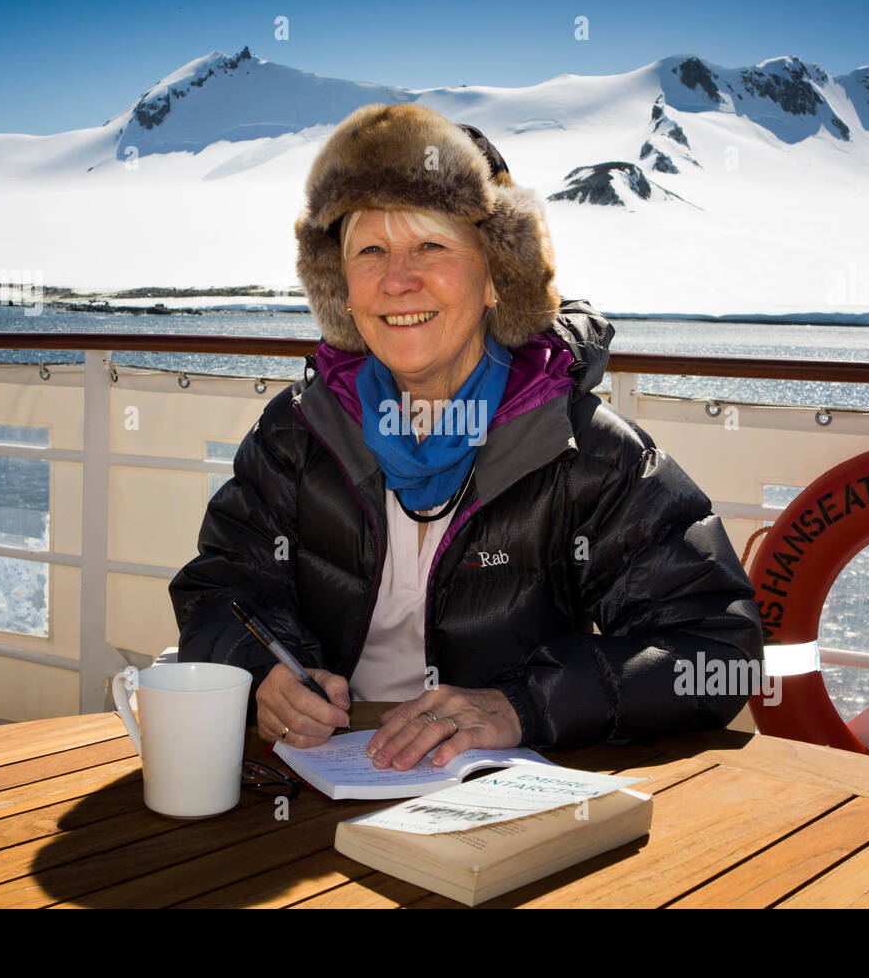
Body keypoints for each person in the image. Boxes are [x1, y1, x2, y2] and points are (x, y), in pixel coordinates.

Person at [169, 102, 762, 771]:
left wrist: (520, 705)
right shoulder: (297, 431)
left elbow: (720, 651)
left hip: (497, 808)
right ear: (342, 285)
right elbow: (221, 587)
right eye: (371, 250)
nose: (398, 279)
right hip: (316, 781)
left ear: (496, 278)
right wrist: (263, 671)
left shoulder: (584, 452)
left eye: (432, 245)